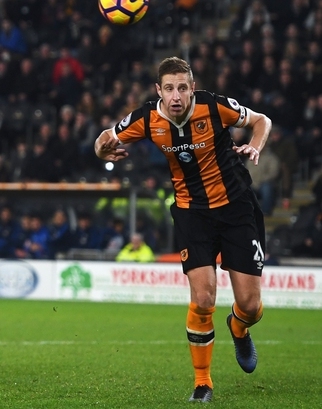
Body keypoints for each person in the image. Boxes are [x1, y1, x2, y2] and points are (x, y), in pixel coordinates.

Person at [94, 57, 272, 403]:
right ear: (158, 91)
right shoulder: (147, 117)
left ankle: (238, 326)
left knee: (250, 305)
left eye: (183, 88)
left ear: (192, 88)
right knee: (203, 299)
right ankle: (202, 383)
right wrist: (105, 150)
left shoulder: (213, 106)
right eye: (170, 88)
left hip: (236, 208)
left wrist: (255, 144)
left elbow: (261, 120)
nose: (177, 96)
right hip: (192, 213)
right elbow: (104, 139)